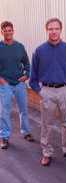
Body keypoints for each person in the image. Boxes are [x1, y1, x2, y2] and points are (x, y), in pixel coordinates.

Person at [29, 18, 66, 166]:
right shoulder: (39, 50)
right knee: (46, 124)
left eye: (56, 28)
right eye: (50, 29)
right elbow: (33, 78)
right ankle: (46, 152)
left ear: (61, 30)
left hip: (65, 90)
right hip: (47, 91)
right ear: (47, 30)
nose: (53, 31)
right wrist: (41, 91)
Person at [0, 21, 34, 149]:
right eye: (5, 30)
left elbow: (26, 63)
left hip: (19, 83)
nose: (8, 32)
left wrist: (27, 75)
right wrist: (1, 80)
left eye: (10, 30)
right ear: (1, 32)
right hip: (5, 84)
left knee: (23, 109)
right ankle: (4, 137)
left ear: (13, 31)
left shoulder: (19, 46)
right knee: (4, 112)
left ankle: (26, 132)